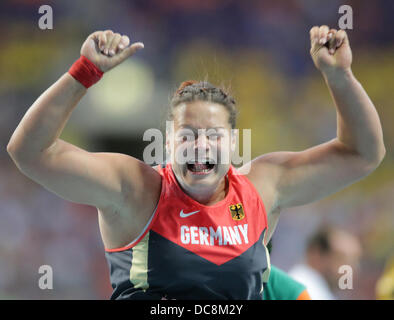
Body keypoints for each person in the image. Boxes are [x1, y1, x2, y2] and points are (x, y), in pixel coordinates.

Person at [7, 26, 385, 299]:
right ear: (168, 142)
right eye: (186, 135)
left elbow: (363, 154)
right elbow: (30, 152)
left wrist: (340, 76)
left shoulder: (264, 187)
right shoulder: (136, 190)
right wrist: (83, 74)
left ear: (233, 143)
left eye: (214, 136)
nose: (200, 146)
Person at [288, 226, 362, 300]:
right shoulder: (306, 290)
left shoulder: (317, 290)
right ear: (316, 254)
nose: (351, 268)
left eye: (354, 262)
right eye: (341, 258)